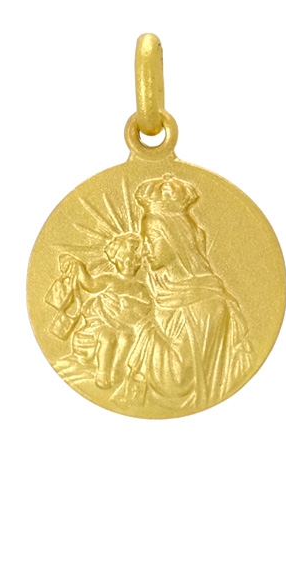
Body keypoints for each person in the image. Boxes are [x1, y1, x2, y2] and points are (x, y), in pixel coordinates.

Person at [115, 174, 253, 412]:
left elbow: (177, 380)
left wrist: (139, 324)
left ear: (176, 240)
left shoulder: (207, 303)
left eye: (151, 240)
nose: (144, 250)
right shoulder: (161, 288)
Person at [66, 232, 151, 389]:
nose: (129, 264)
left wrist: (131, 304)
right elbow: (90, 285)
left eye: (134, 260)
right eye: (125, 260)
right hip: (101, 322)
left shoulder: (140, 288)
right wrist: (79, 267)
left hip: (123, 324)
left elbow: (146, 306)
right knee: (108, 338)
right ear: (115, 260)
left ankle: (117, 369)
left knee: (127, 338)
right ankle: (103, 372)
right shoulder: (110, 279)